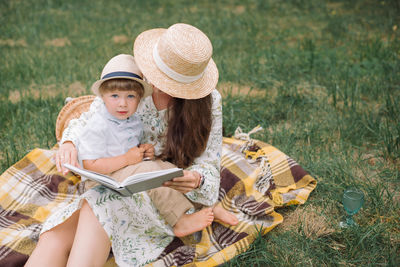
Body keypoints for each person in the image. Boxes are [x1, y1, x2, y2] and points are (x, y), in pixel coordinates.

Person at [25, 23, 238, 267]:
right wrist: (69, 142)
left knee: (97, 207)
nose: (158, 85)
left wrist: (197, 179)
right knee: (55, 236)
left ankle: (187, 216)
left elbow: (209, 166)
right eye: (158, 75)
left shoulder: (208, 102)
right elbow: (88, 118)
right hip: (113, 177)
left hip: (162, 193)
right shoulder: (133, 80)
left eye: (170, 82)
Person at [77, 53, 215, 237]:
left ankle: (199, 206)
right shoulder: (99, 124)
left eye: (131, 96)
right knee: (151, 172)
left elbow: (127, 146)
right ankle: (180, 221)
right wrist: (127, 158)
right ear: (103, 96)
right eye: (115, 96)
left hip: (124, 169)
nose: (122, 103)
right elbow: (90, 165)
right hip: (102, 178)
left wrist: (143, 150)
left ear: (140, 97)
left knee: (167, 168)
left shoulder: (131, 120)